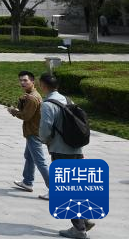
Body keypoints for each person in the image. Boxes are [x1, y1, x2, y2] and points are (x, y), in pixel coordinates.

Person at [38, 73, 94, 238]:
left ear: (43, 86)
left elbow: (45, 130)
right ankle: (85, 220)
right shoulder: (69, 100)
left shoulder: (47, 105)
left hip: (60, 150)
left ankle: (79, 229)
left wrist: (44, 140)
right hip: (76, 149)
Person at [8, 71, 48, 196]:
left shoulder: (32, 98)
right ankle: (27, 182)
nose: (22, 83)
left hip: (33, 133)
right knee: (29, 156)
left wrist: (13, 111)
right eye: (21, 80)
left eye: (25, 80)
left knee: (40, 162)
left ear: (32, 81)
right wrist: (21, 102)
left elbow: (25, 116)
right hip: (33, 131)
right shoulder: (31, 95)